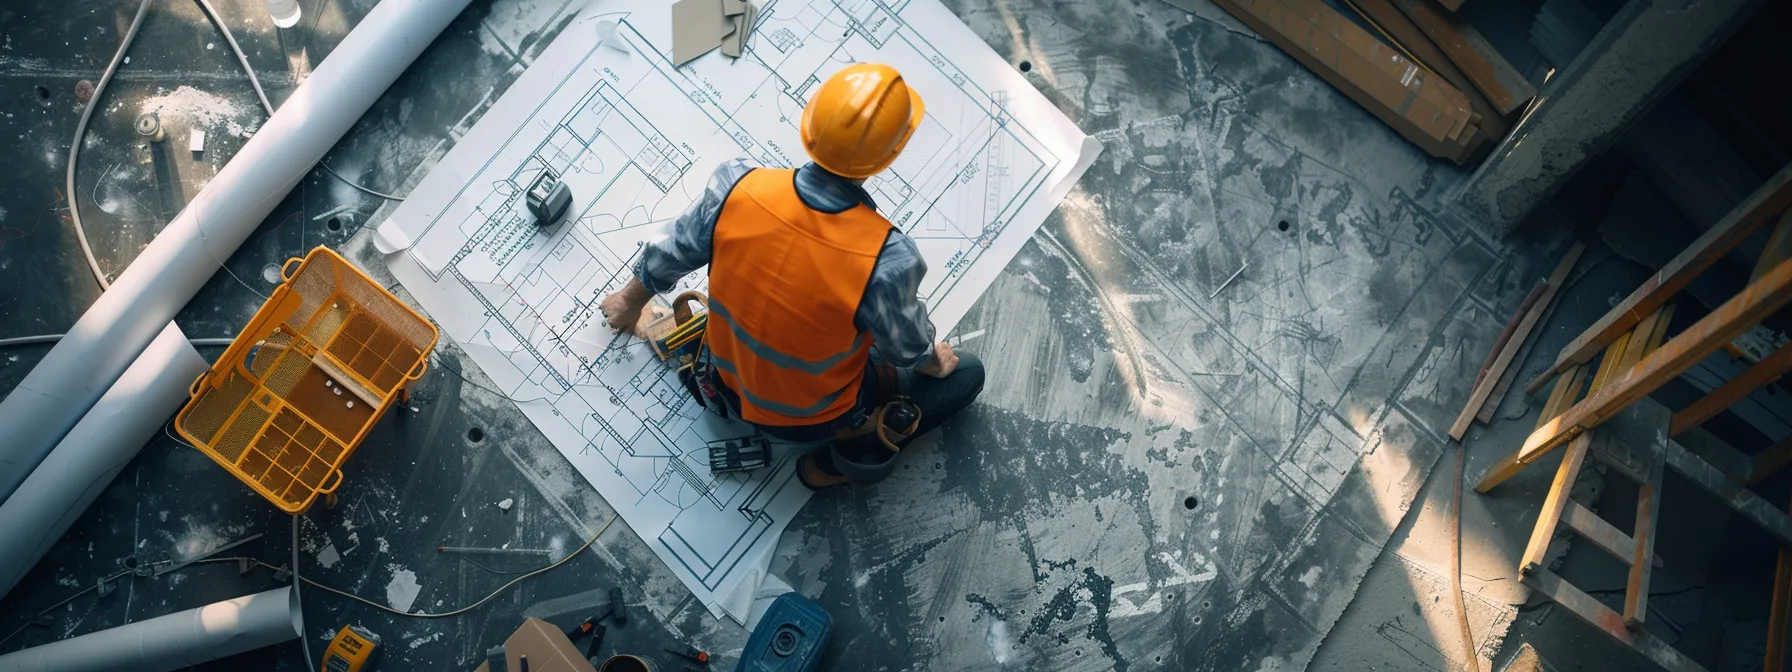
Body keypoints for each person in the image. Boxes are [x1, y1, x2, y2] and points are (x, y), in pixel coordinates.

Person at [600, 63, 984, 490]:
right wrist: (935, 362)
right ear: (888, 157)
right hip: (809, 422)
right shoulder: (886, 258)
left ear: (810, 122)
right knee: (967, 375)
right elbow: (908, 348)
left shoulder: (737, 186)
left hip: (721, 384)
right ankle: (840, 460)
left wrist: (628, 301)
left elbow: (669, 252)